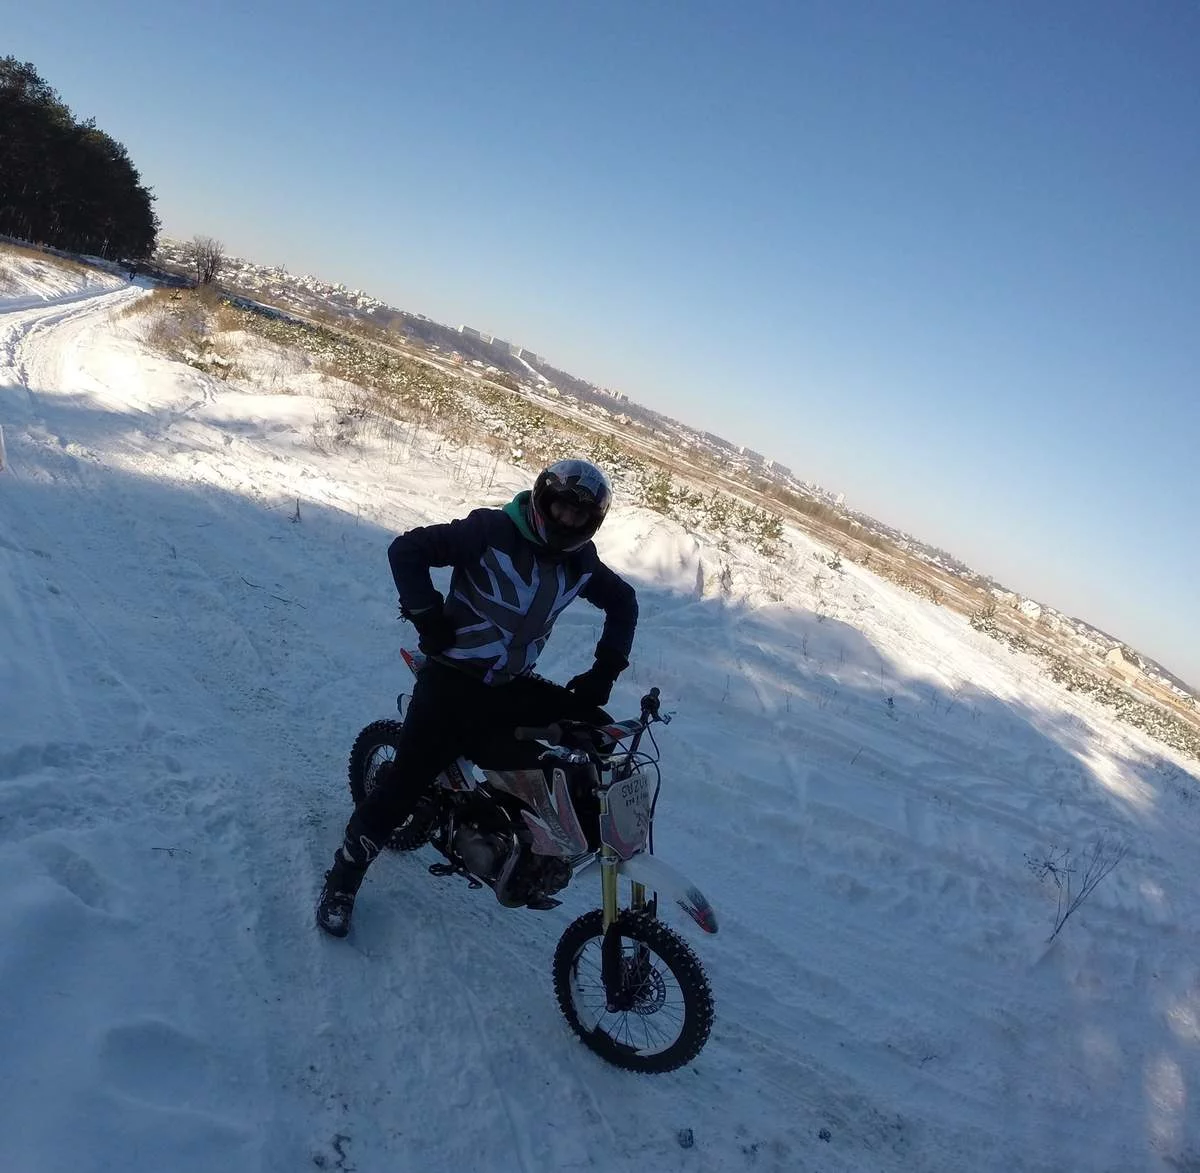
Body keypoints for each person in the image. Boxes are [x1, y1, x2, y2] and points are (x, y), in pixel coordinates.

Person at [316, 458, 638, 937]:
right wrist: (427, 616)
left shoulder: (581, 562)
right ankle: (344, 878)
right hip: (452, 677)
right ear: (543, 500)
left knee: (595, 729)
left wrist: (604, 671)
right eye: (561, 508)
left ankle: (532, 838)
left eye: (580, 515)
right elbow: (407, 550)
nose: (568, 520)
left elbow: (623, 602)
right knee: (403, 786)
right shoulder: (490, 531)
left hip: (510, 683)